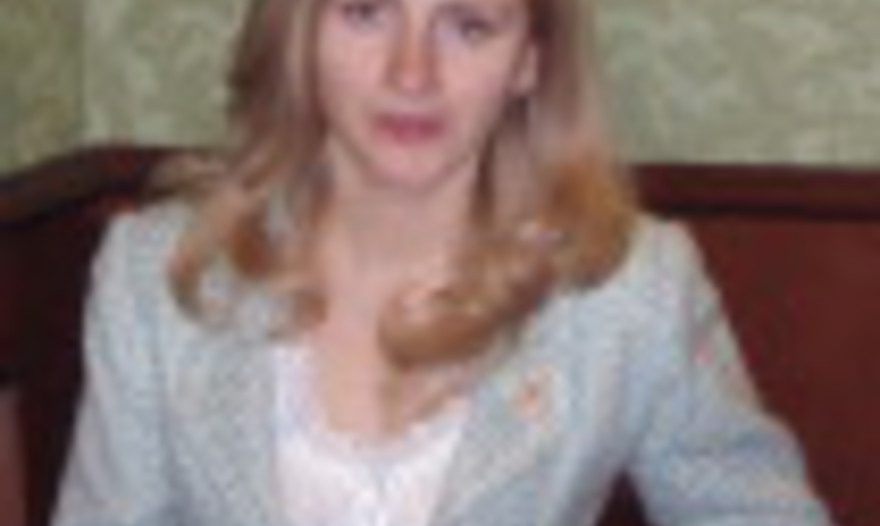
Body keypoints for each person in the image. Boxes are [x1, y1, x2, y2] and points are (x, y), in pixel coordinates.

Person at [53, 0, 834, 524]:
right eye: (366, 11)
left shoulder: (631, 288)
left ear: (529, 59)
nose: (412, 75)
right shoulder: (155, 275)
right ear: (300, 34)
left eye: (468, 25)